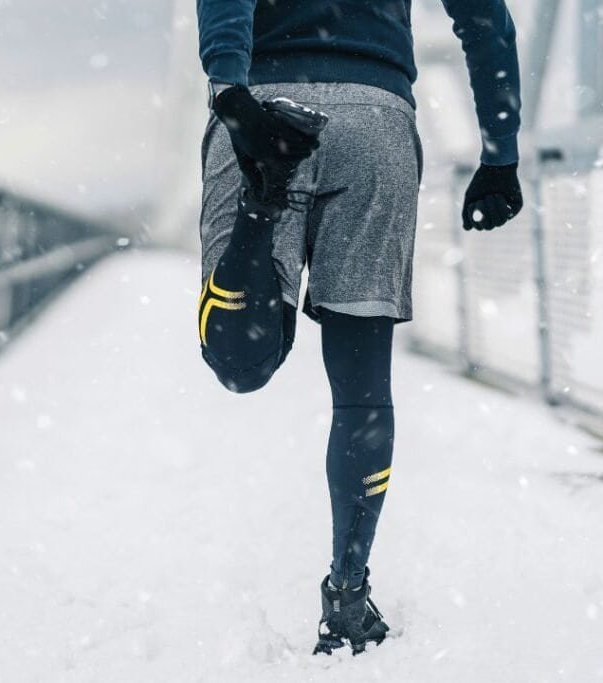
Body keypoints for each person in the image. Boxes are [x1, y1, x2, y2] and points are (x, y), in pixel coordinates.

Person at [194, 0, 524, 655]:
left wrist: (231, 87)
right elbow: (484, 16)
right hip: (378, 115)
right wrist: (500, 151)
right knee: (363, 389)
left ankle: (264, 201)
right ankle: (347, 591)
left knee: (239, 363)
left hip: (265, 99)